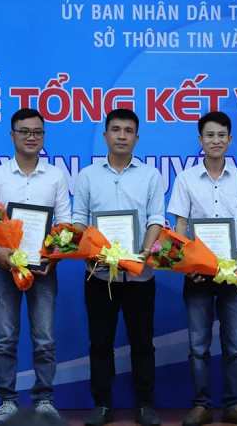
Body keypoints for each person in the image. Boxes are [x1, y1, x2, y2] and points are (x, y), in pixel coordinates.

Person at [72, 109, 165, 426]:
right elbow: (79, 220)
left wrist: (144, 251)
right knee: (100, 343)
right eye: (116, 129)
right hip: (99, 275)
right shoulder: (87, 176)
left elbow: (156, 219)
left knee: (143, 342)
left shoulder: (150, 175)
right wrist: (89, 248)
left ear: (136, 138)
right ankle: (102, 405)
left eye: (128, 130)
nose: (122, 136)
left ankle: (145, 405)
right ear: (105, 135)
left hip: (140, 275)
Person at [168, 111, 237, 426]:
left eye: (221, 135)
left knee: (235, 344)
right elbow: (180, 226)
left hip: (232, 273)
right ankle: (201, 405)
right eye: (210, 135)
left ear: (230, 140)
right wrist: (186, 262)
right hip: (197, 274)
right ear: (200, 140)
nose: (216, 141)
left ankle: (234, 404)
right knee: (198, 345)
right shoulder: (186, 179)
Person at [0, 108, 70, 425]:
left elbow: (64, 224)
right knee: (5, 338)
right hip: (4, 269)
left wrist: (53, 257)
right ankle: (7, 402)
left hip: (43, 270)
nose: (32, 137)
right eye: (25, 131)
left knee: (44, 339)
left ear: (43, 136)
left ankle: (44, 400)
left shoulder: (56, 176)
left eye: (38, 132)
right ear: (12, 135)